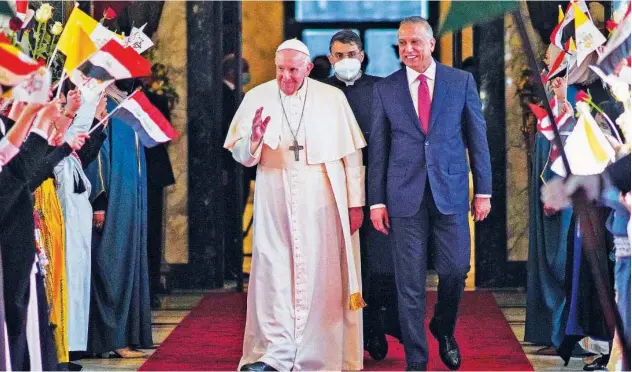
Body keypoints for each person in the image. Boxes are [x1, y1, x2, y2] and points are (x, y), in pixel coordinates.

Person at [224, 39, 366, 371]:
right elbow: (242, 156)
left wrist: (355, 204)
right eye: (280, 69)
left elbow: (351, 156)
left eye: (293, 70)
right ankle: (275, 354)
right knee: (273, 272)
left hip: (322, 193)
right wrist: (255, 137)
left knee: (320, 273)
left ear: (308, 68)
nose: (285, 77)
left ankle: (319, 354)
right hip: (274, 191)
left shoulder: (332, 98)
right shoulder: (257, 97)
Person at [367, 16, 492, 371]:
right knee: (409, 284)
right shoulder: (385, 89)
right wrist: (377, 200)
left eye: (415, 43)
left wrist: (483, 190)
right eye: (402, 44)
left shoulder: (460, 81)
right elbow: (379, 150)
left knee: (455, 270)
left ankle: (443, 327)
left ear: (431, 44)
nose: (408, 50)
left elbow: (477, 139)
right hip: (403, 196)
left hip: (450, 191)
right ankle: (416, 361)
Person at [323, 29, 396, 359]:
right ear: (329, 59)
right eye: (339, 56)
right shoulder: (321, 92)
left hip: (376, 186)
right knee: (340, 264)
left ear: (362, 56)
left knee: (380, 263)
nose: (345, 61)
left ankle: (375, 327)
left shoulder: (383, 88)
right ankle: (345, 333)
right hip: (334, 189)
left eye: (351, 55)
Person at [85, 82, 153, 358]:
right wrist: (99, 201)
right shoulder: (103, 103)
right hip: (112, 201)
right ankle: (113, 338)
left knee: (128, 262)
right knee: (112, 264)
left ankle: (129, 334)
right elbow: (98, 155)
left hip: (130, 197)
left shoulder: (127, 102)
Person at [221, 54, 253, 281]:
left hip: (240, 167)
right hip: (231, 169)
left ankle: (233, 264)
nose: (247, 75)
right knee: (230, 217)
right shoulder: (225, 96)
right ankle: (228, 265)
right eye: (245, 70)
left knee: (236, 216)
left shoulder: (238, 96)